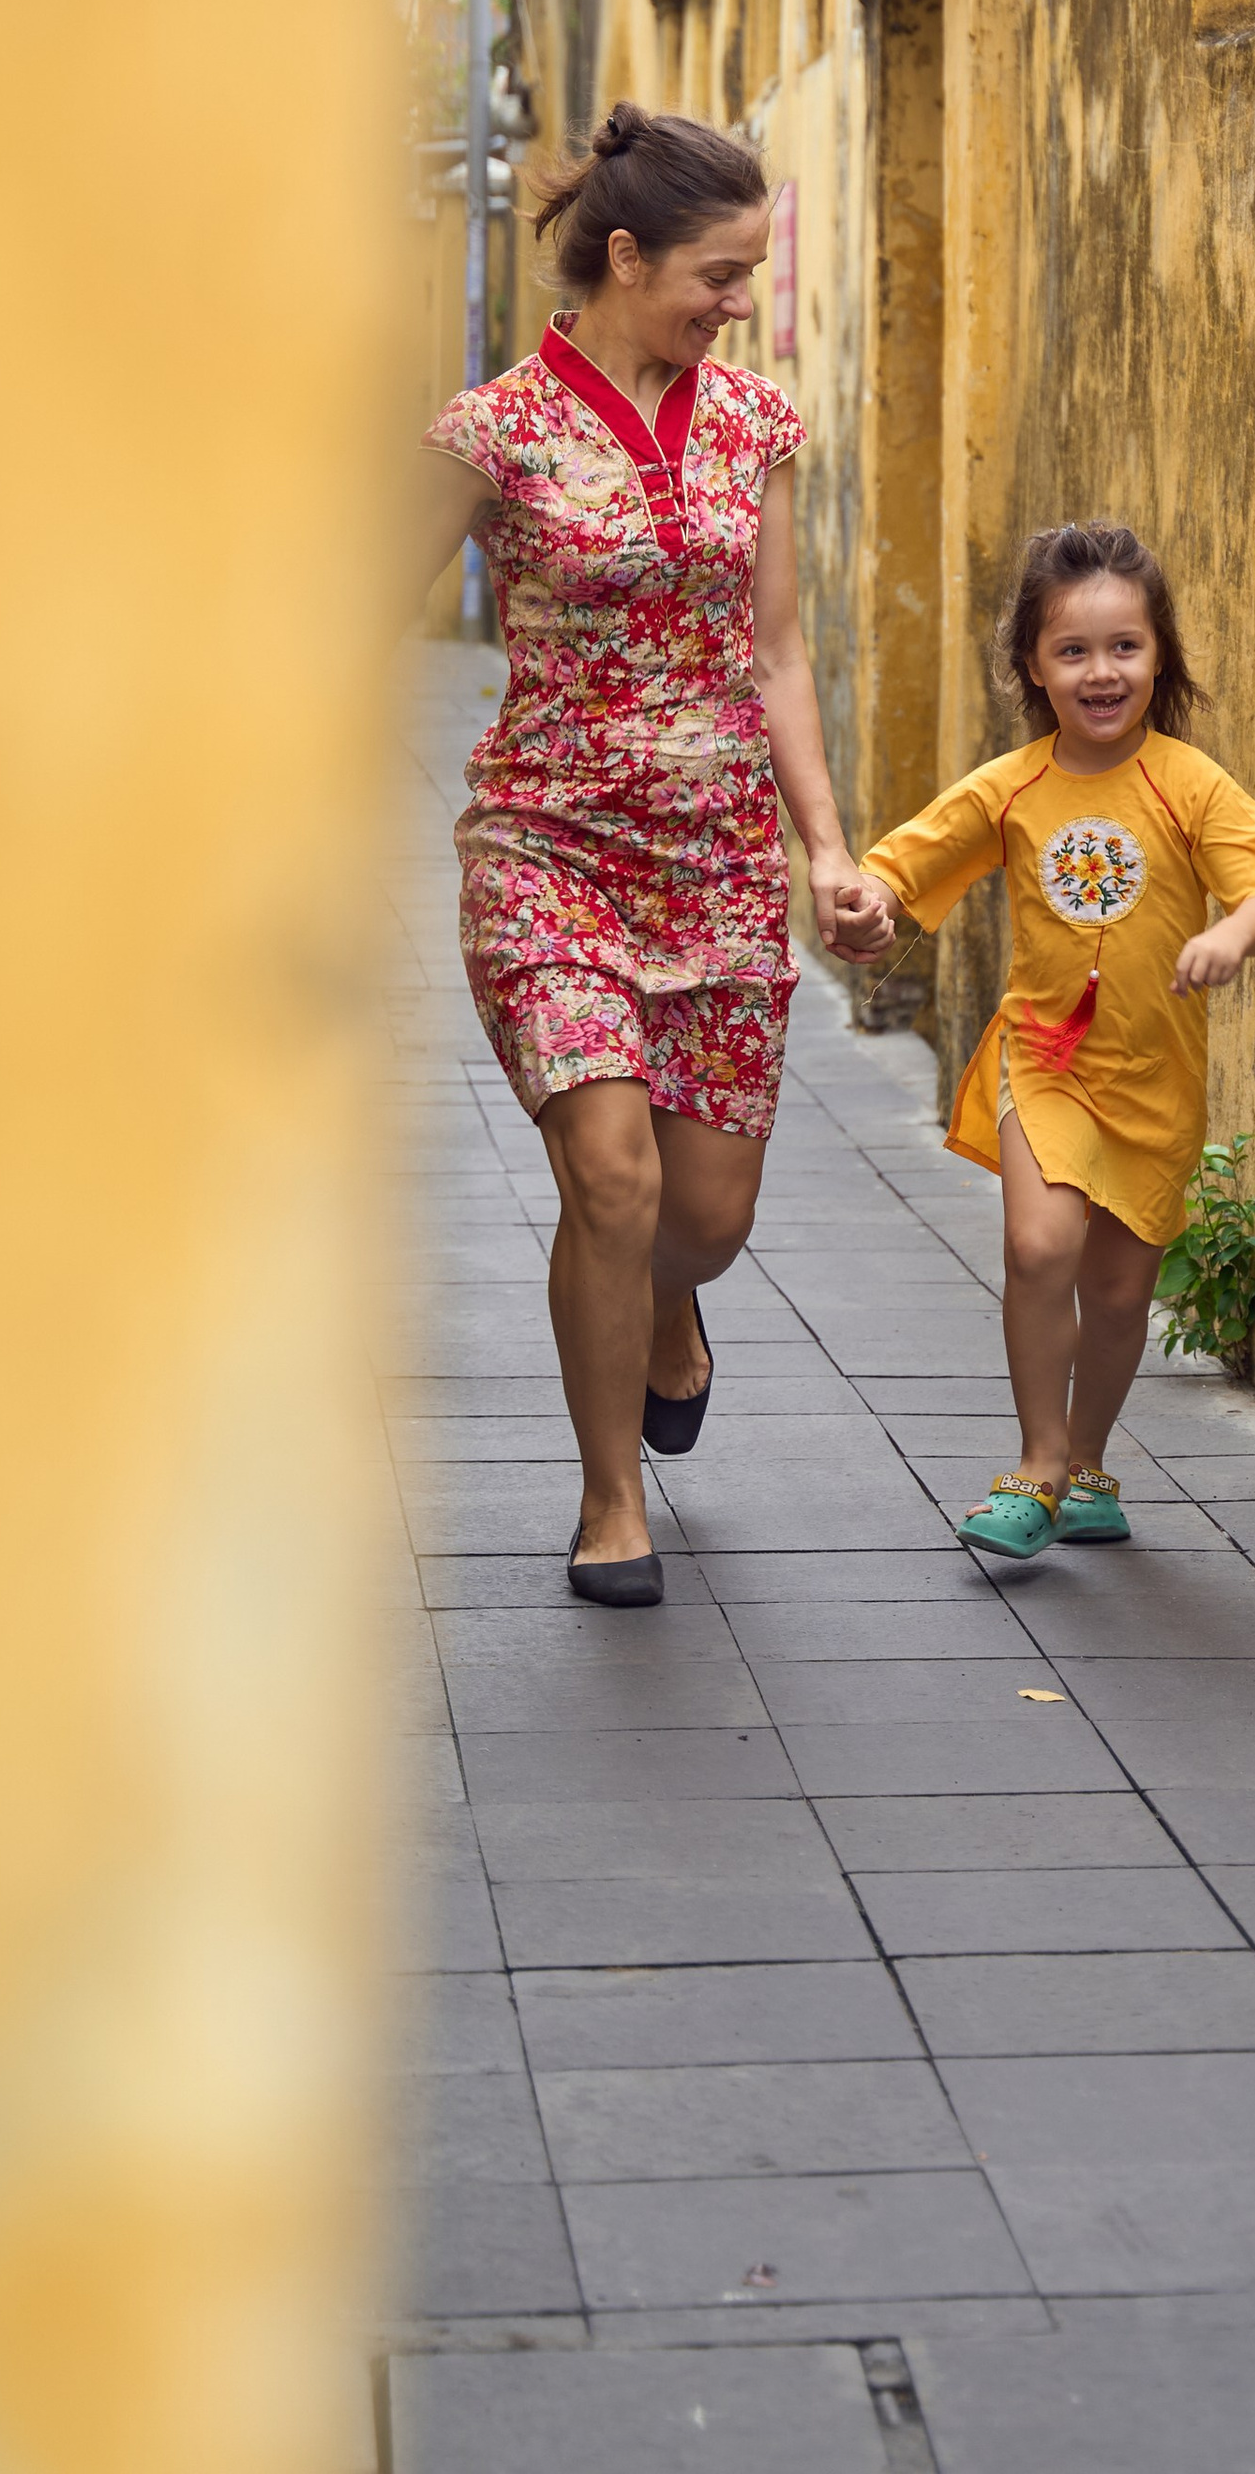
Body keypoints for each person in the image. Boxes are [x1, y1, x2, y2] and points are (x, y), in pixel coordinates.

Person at [413, 102, 888, 1606]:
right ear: (626, 259)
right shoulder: (491, 433)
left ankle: (675, 1309)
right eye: (720, 274)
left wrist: (827, 851)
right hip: (545, 849)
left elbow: (778, 651)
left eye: (749, 275)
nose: (738, 303)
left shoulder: (754, 426)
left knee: (702, 1223)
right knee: (610, 1180)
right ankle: (610, 1499)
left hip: (719, 862)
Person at [855, 521, 1255, 1557]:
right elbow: (905, 862)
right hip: (1046, 1062)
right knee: (1039, 1248)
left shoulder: (1188, 783)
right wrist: (866, 903)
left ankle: (1087, 1466)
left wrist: (1233, 934)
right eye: (1073, 650)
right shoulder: (1012, 786)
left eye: (1124, 647)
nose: (1101, 672)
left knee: (1117, 1298)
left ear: (1159, 656)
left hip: (1155, 1080)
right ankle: (1035, 1466)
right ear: (1033, 665)